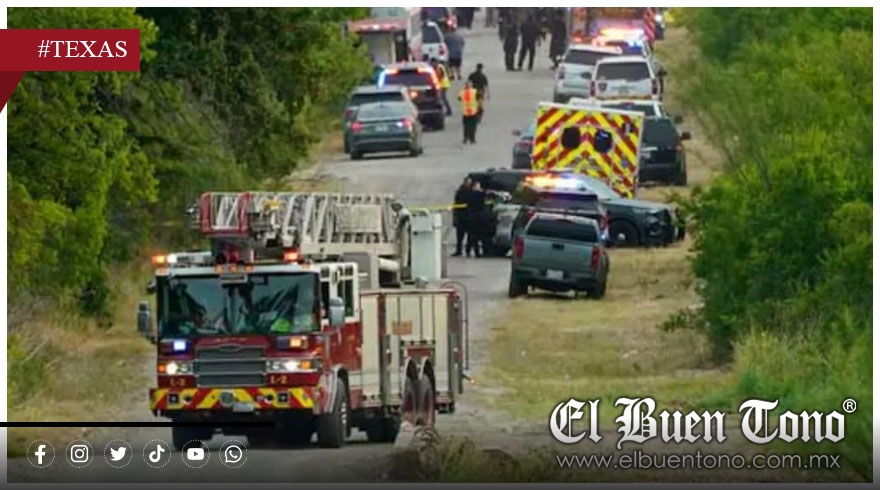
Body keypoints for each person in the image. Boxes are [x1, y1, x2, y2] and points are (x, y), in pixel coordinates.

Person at [465, 180, 487, 257]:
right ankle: (474, 251)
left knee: (473, 236)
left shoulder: (478, 194)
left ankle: (470, 250)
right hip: (474, 218)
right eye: (477, 186)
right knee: (473, 236)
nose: (479, 187)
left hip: (478, 218)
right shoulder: (473, 194)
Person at [452, 177, 473, 256]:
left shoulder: (472, 192)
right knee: (459, 236)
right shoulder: (460, 192)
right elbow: (456, 204)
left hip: (470, 217)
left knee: (470, 236)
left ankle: (468, 251)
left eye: (470, 182)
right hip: (461, 217)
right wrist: (455, 218)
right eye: (467, 182)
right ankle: (459, 250)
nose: (468, 184)